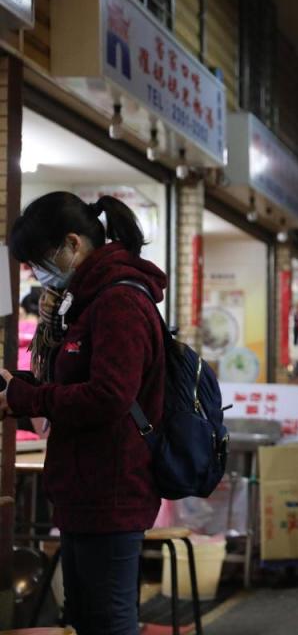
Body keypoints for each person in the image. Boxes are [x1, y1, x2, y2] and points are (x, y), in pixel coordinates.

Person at [0, 193, 167, 634]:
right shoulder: (88, 300)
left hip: (111, 493)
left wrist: (28, 400)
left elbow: (109, 396)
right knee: (88, 619)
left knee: (108, 623)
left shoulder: (119, 302)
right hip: (84, 491)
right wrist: (19, 387)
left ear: (72, 244)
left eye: (38, 260)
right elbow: (78, 386)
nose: (37, 274)